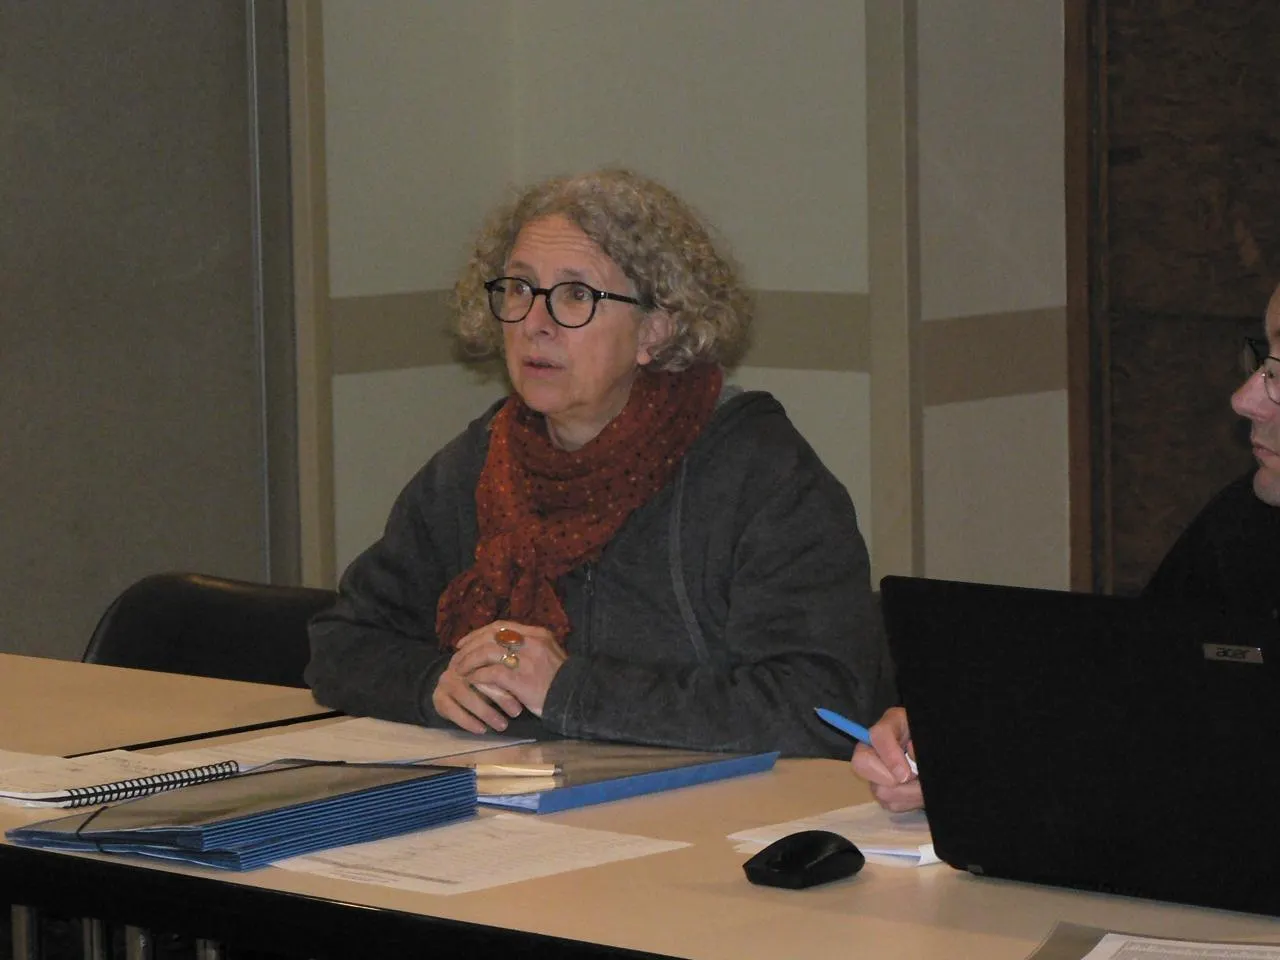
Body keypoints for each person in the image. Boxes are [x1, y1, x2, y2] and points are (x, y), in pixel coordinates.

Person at [305, 168, 893, 758]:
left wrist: (571, 691)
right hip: (516, 798)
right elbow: (343, 640)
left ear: (654, 331)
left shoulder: (758, 473)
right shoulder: (481, 464)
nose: (534, 324)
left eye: (576, 296)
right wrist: (431, 683)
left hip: (713, 808)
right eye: (519, 288)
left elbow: (820, 705)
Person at [852, 279, 1280, 811]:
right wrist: (962, 741)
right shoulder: (1247, 524)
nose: (1244, 399)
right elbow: (1129, 700)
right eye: (1264, 360)